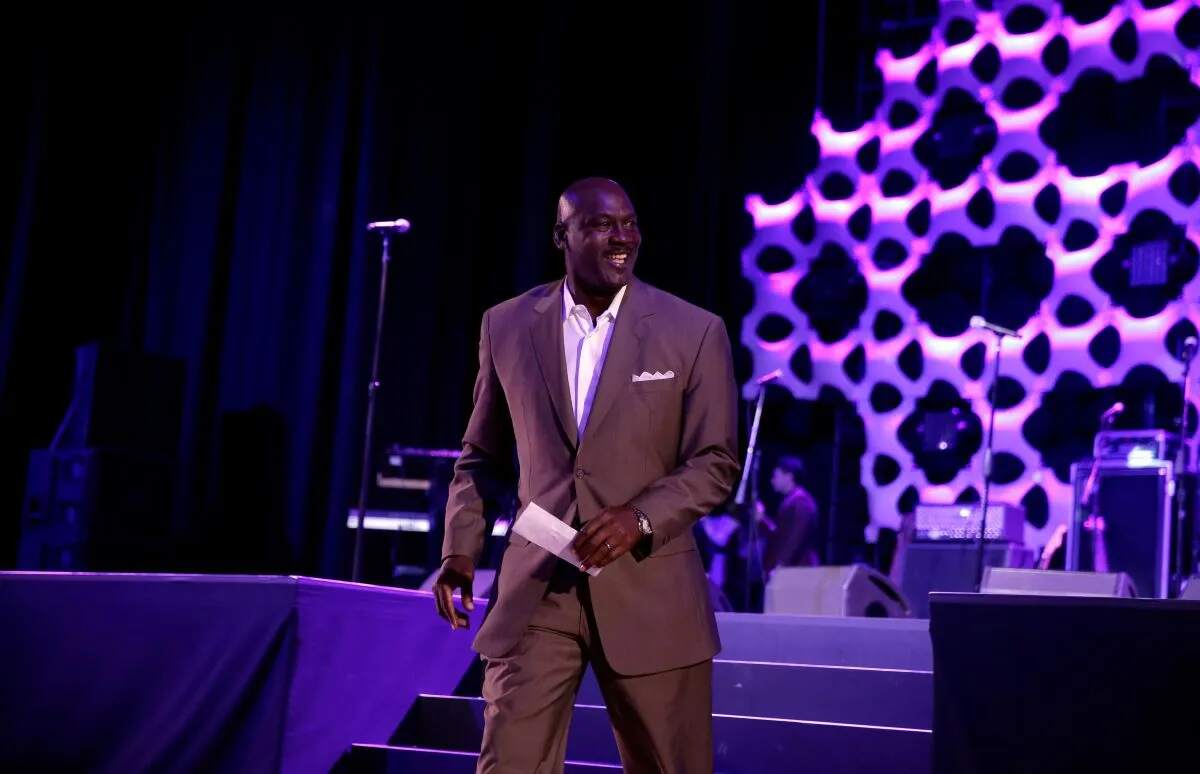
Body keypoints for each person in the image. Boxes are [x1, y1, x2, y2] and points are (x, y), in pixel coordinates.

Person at [432, 177, 740, 773]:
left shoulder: (694, 331)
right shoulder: (507, 325)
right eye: (601, 225)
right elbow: (481, 458)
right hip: (539, 587)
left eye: (628, 223)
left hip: (650, 588)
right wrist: (460, 550)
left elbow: (715, 462)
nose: (621, 237)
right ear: (562, 236)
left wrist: (640, 517)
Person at [758, 455, 820, 573]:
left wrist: (781, 565)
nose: (772, 481)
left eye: (775, 476)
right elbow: (780, 534)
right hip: (791, 568)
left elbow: (794, 538)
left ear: (789, 476)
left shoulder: (801, 502)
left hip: (797, 570)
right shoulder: (792, 500)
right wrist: (762, 519)